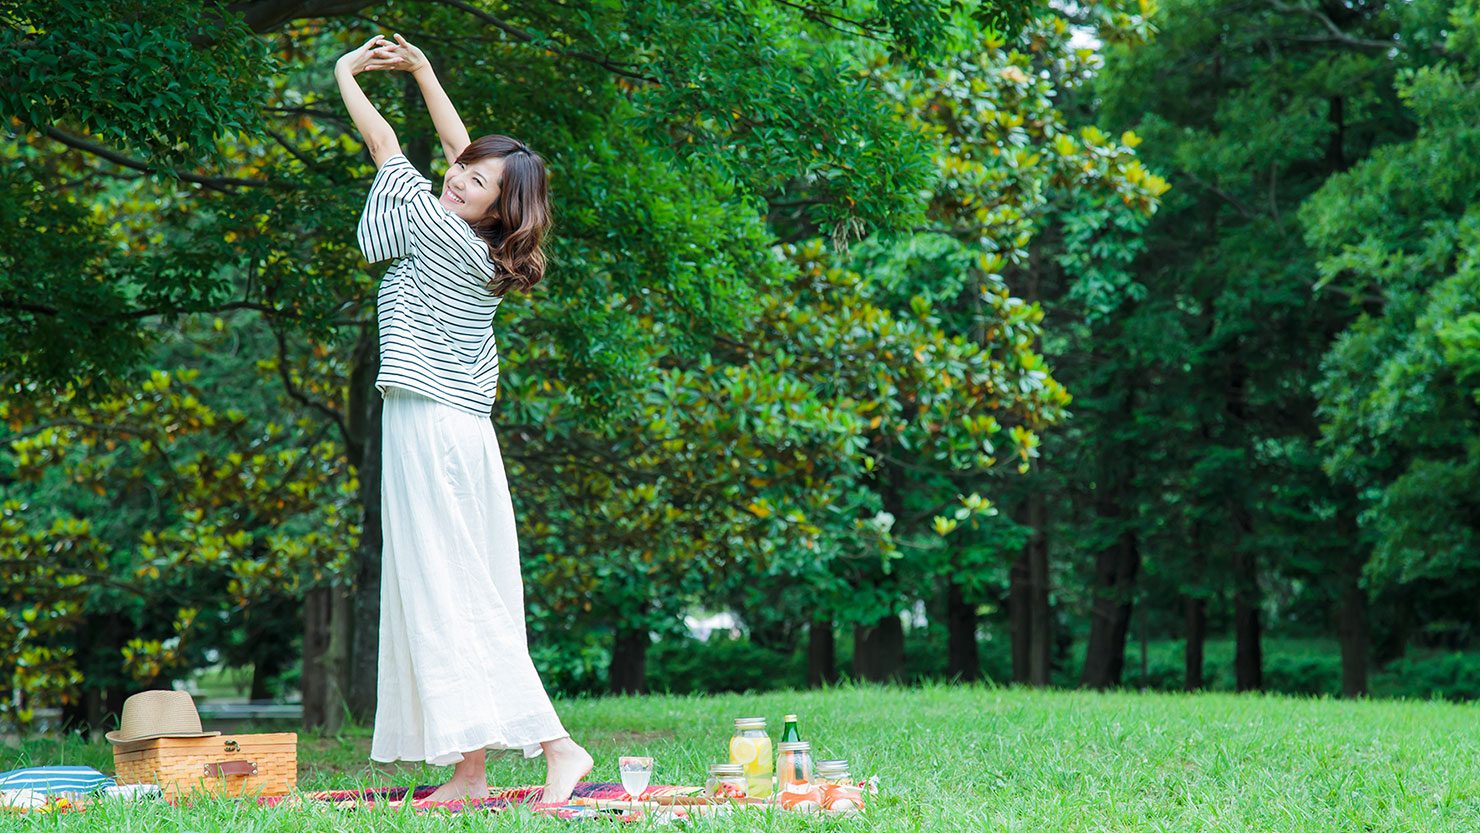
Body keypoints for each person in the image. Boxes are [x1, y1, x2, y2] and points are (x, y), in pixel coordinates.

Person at [334, 33, 592, 805]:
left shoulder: (434, 225)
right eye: (459, 171)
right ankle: (470, 772)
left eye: (474, 181)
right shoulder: (487, 246)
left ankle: (559, 745)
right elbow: (464, 152)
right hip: (456, 431)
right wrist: (423, 72)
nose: (455, 178)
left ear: (494, 204)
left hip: (433, 429)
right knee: (445, 588)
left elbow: (383, 143)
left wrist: (347, 71)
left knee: (454, 590)